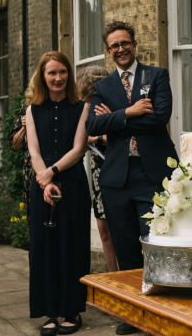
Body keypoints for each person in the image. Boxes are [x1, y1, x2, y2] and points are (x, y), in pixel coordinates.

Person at [85, 22, 177, 335]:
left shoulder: (157, 75)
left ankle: (163, 310)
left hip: (153, 175)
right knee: (125, 248)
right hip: (117, 179)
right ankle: (133, 313)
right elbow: (93, 127)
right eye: (114, 46)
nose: (121, 49)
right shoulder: (103, 86)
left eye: (125, 43)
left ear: (134, 45)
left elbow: (160, 117)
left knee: (157, 244)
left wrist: (116, 119)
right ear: (108, 51)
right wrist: (130, 112)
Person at [26, 51, 91, 336]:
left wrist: (52, 172)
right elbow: (33, 151)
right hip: (43, 186)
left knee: (72, 246)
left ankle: (72, 310)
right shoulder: (32, 110)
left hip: (72, 182)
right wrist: (45, 181)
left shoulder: (82, 107)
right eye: (51, 73)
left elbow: (78, 150)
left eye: (63, 72)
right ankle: (50, 311)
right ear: (42, 76)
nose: (58, 78)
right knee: (45, 248)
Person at [76, 65, 119, 273]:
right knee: (103, 230)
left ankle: (128, 281)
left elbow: (131, 136)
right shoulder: (86, 108)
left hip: (119, 168)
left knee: (121, 230)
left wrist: (97, 138)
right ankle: (114, 281)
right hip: (97, 168)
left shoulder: (117, 103)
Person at [10, 74, 37, 224]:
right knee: (34, 214)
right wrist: (24, 128)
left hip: (56, 162)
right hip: (32, 167)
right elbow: (15, 145)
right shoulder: (27, 108)